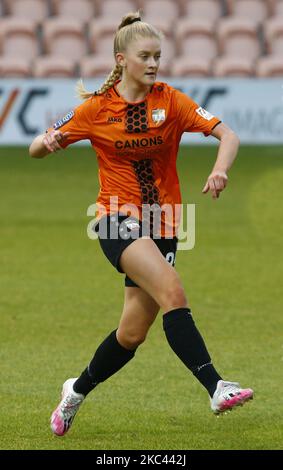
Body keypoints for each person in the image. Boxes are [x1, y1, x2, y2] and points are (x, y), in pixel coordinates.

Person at [29, 11, 253, 437]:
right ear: (122, 59)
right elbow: (35, 149)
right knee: (173, 289)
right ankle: (217, 386)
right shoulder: (96, 108)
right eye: (145, 56)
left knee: (132, 333)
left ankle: (75, 391)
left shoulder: (171, 100)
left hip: (166, 220)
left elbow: (229, 135)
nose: (153, 64)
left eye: (158, 56)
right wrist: (49, 142)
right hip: (114, 218)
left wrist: (220, 169)